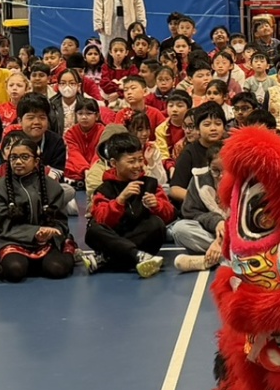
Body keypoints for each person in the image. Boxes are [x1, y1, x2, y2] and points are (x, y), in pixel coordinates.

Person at [0, 133, 78, 281]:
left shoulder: (51, 185)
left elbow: (61, 222)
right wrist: (34, 233)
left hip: (47, 242)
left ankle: (67, 252)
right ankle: (32, 265)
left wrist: (50, 232)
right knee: (14, 270)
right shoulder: (0, 187)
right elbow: (2, 226)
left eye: (25, 157)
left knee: (57, 269)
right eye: (13, 158)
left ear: (36, 161)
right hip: (14, 241)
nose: (18, 162)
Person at [84, 131, 171, 276]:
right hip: (114, 235)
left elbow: (170, 215)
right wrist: (120, 200)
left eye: (140, 160)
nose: (137, 165)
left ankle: (106, 259)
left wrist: (157, 205)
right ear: (114, 163)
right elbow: (101, 218)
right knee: (93, 229)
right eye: (131, 161)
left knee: (156, 224)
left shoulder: (150, 184)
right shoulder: (104, 189)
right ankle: (137, 256)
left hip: (139, 237)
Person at [167, 103, 228, 269]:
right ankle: (231, 254)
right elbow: (174, 189)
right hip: (206, 218)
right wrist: (199, 197)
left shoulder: (234, 149)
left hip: (233, 219)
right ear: (198, 128)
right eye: (207, 124)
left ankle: (211, 258)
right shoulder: (190, 153)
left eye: (218, 123)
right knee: (180, 230)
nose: (213, 128)